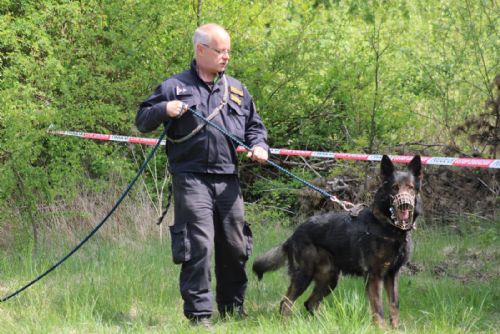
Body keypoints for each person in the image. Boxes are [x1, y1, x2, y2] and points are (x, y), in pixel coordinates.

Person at [135, 23, 269, 327]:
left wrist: (260, 146)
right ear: (200, 51)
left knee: (236, 246)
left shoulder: (236, 90)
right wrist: (164, 109)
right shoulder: (174, 86)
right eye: (220, 51)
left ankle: (233, 310)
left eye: (228, 52)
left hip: (228, 179)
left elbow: (255, 128)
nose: (226, 57)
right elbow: (142, 120)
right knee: (198, 246)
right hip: (191, 178)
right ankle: (200, 317)